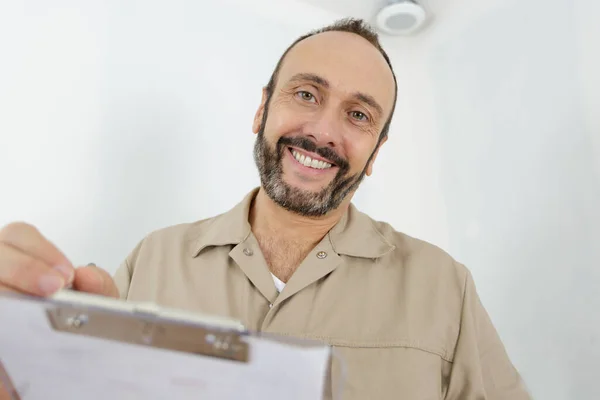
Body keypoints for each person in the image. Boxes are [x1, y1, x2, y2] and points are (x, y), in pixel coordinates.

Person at [0, 18, 531, 400]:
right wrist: (31, 366)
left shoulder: (444, 285)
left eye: (358, 114)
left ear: (375, 154)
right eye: (305, 95)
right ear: (262, 108)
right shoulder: (152, 259)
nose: (323, 131)